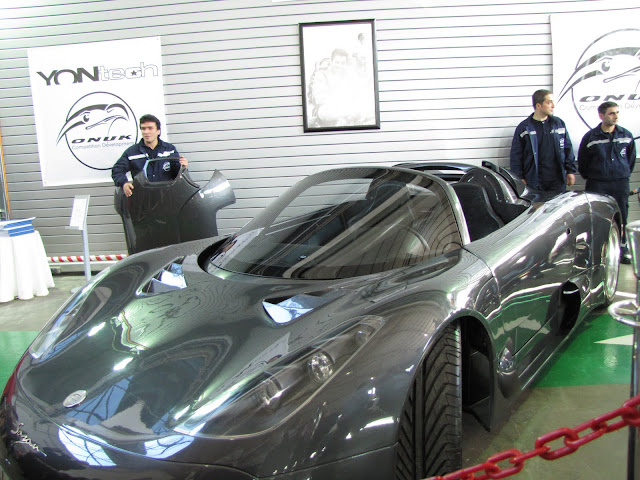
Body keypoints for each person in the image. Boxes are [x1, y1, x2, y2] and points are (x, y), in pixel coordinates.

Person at [578, 101, 636, 260]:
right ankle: (597, 251)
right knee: (597, 216)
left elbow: (630, 160)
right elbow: (583, 162)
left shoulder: (626, 135)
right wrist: (595, 175)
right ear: (601, 115)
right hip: (597, 183)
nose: (615, 116)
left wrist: (621, 172)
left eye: (617, 113)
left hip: (620, 183)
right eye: (611, 113)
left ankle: (622, 249)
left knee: (622, 215)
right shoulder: (591, 137)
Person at [510, 89, 577, 200]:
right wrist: (519, 177)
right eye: (549, 102)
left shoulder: (558, 124)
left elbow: (567, 148)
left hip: (557, 180)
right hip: (534, 180)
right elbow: (516, 155)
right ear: (538, 105)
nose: (553, 106)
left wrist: (570, 171)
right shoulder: (524, 128)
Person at [112, 114, 188, 197]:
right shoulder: (132, 152)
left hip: (166, 197)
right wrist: (124, 183)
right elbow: (117, 170)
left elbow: (177, 174)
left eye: (150, 128)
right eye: (143, 129)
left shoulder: (169, 149)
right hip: (142, 198)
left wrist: (183, 166)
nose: (146, 132)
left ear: (158, 131)